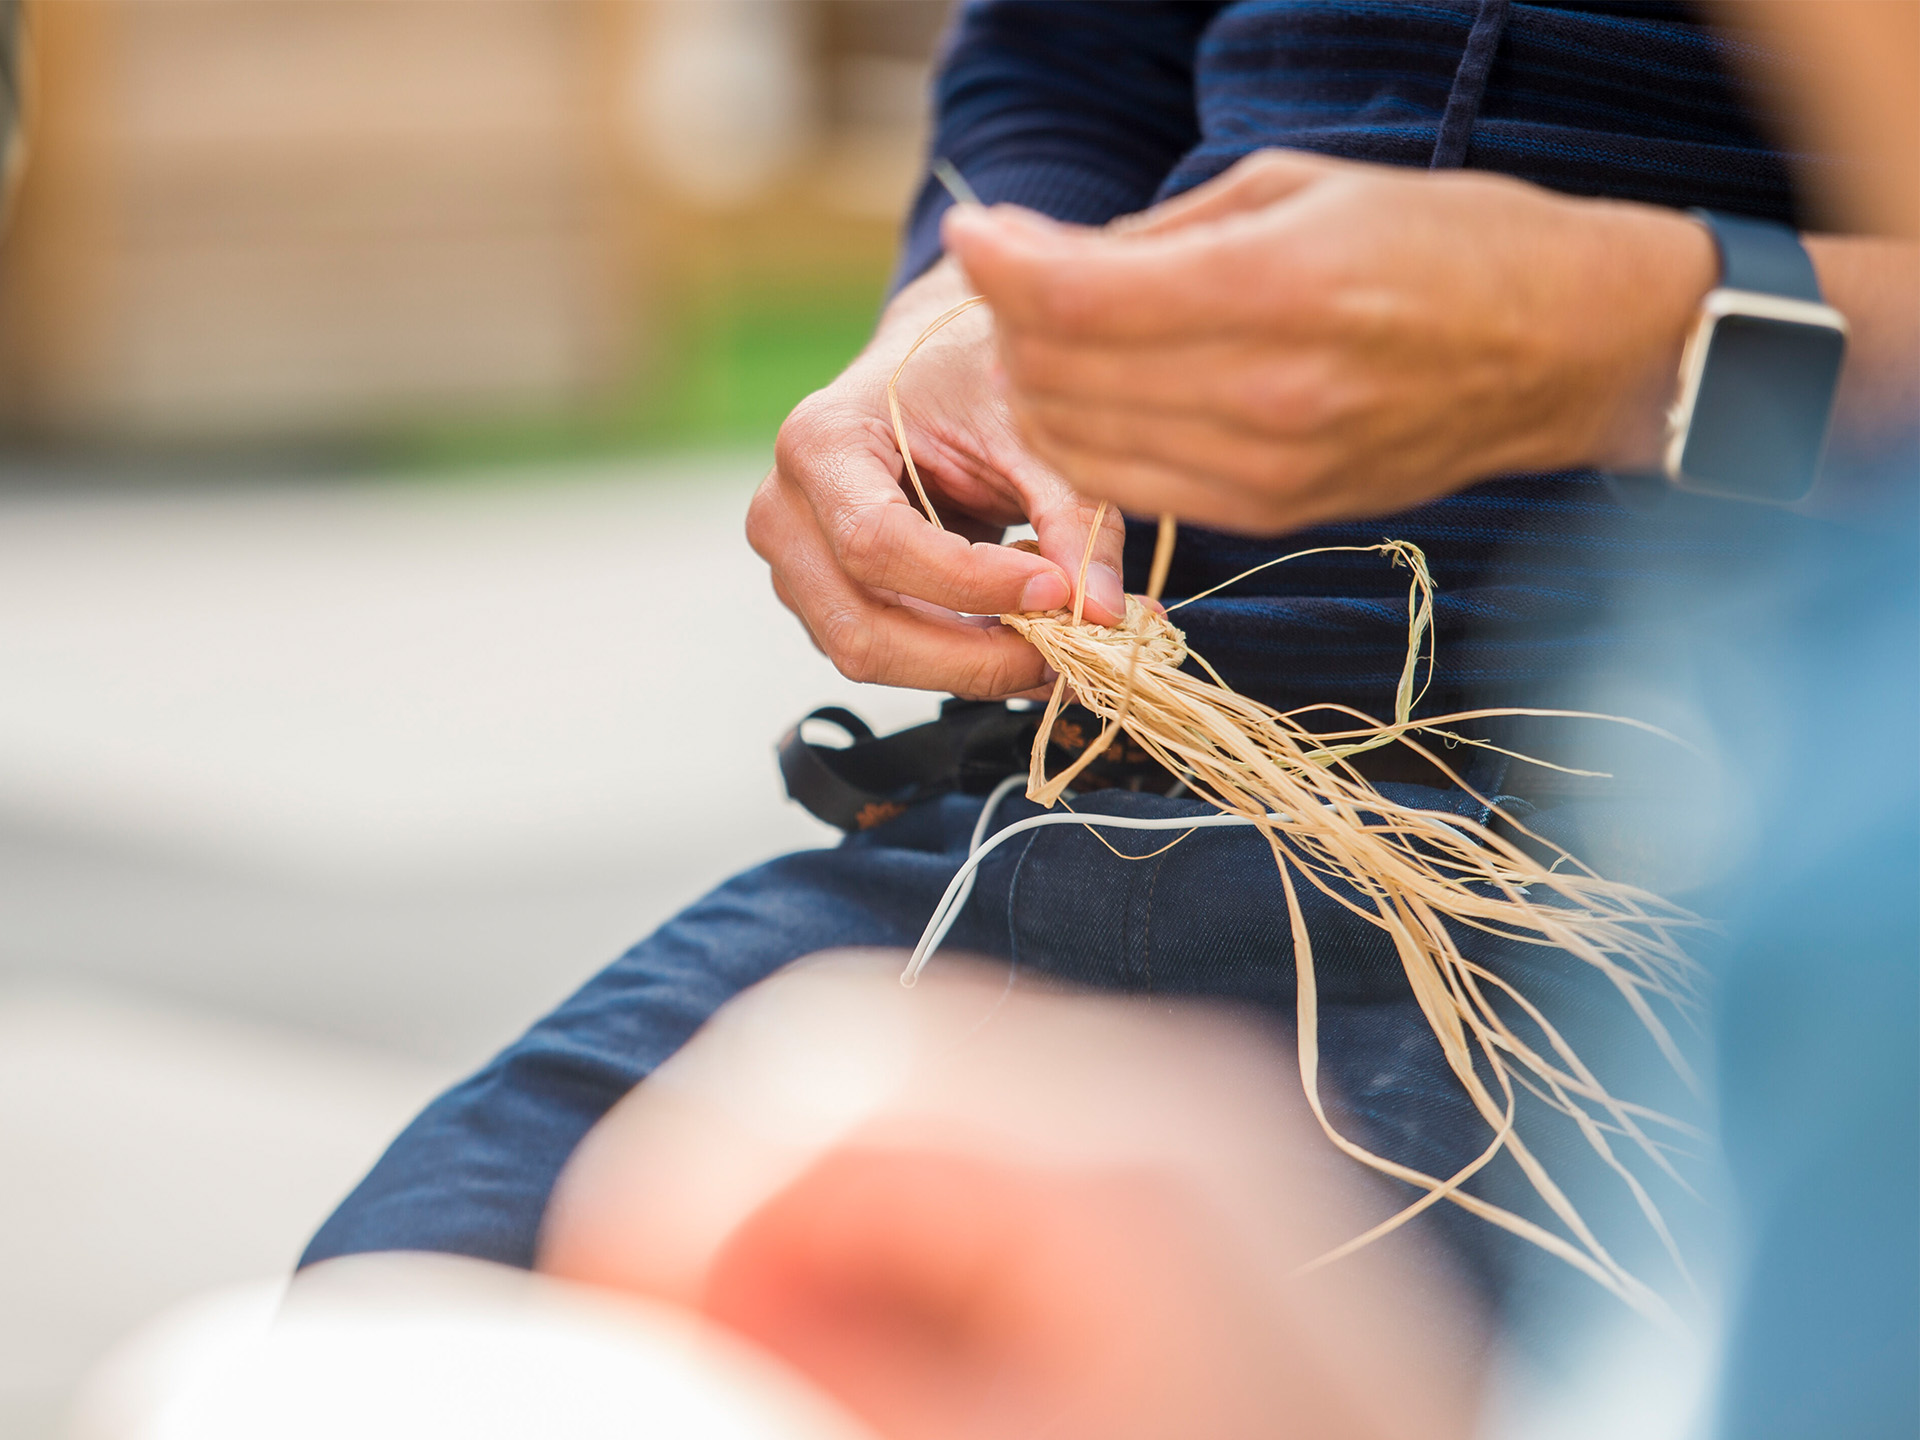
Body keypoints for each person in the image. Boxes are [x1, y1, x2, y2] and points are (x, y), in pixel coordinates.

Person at [300, 0, 1910, 1335]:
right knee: (391, 1333)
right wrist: (966, 313)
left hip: (1671, 929)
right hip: (1069, 805)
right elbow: (1071, 53)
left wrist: (1654, 346)